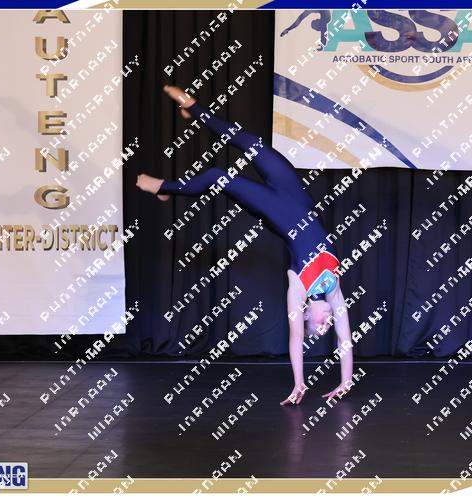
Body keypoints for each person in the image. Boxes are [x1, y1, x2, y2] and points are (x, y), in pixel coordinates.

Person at [136, 85, 354, 406]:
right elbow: (345, 340)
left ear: (307, 315)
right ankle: (194, 109)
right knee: (251, 143)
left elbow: (296, 339)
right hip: (295, 193)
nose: (327, 323)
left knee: (217, 176)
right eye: (328, 325)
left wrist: (299, 383)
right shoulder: (334, 291)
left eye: (319, 327)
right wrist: (346, 380)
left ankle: (165, 188)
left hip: (276, 210)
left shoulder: (298, 285)